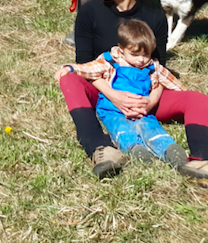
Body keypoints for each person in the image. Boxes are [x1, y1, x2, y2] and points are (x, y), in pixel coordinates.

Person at [58, 0, 208, 181]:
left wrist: (151, 101)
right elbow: (84, 64)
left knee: (197, 99)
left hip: (144, 95)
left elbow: (159, 67)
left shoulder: (154, 17)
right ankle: (101, 149)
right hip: (104, 92)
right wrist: (115, 96)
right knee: (69, 78)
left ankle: (201, 159)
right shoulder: (90, 12)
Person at [56, 19, 188, 168]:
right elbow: (89, 69)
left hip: (141, 111)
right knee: (120, 128)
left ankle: (168, 149)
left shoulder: (153, 67)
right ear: (121, 49)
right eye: (135, 54)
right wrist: (70, 68)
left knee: (151, 127)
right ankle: (134, 149)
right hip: (113, 111)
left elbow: (175, 85)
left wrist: (173, 97)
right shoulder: (111, 61)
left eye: (146, 55)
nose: (141, 60)